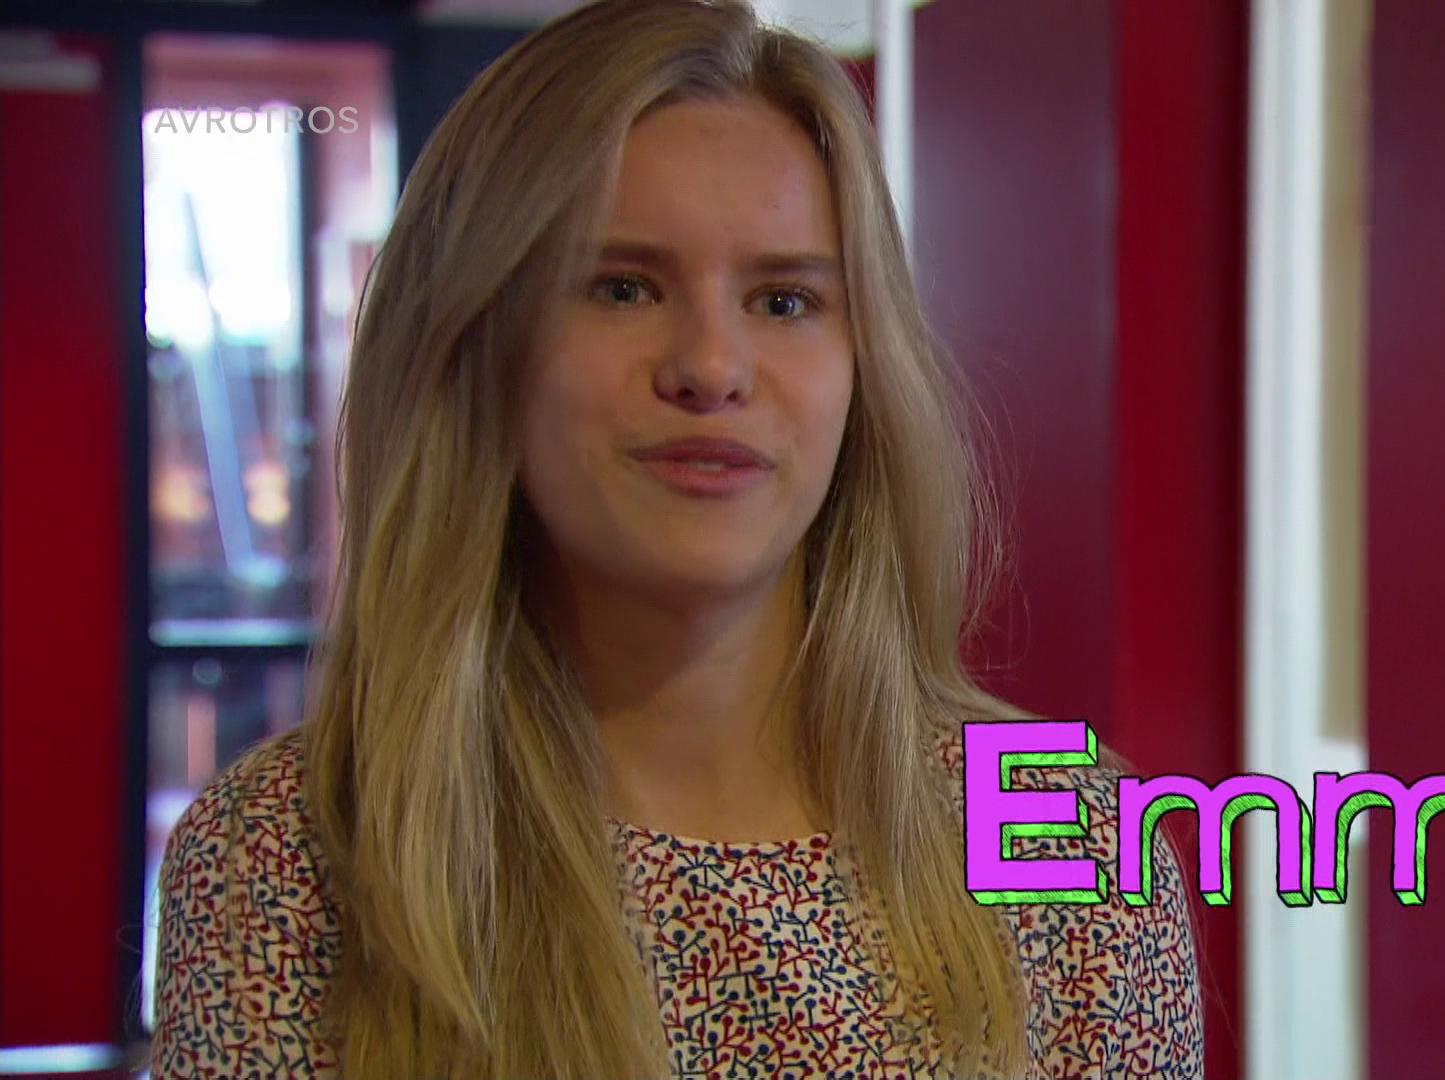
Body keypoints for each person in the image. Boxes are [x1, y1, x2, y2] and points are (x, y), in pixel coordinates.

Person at [148, 1, 1201, 1076]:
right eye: (623, 288)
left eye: (783, 301)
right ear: (478, 348)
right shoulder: (288, 855)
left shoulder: (1068, 844)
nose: (711, 365)